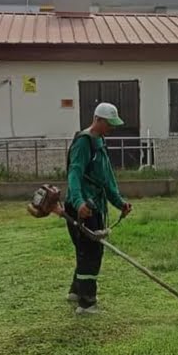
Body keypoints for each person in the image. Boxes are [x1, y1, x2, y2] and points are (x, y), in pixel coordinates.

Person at [64, 102, 133, 315]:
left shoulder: (100, 142)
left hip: (95, 205)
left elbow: (107, 180)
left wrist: (119, 202)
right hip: (83, 207)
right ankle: (86, 303)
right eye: (109, 124)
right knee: (91, 252)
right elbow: (74, 174)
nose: (112, 128)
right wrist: (79, 203)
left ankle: (76, 292)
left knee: (86, 251)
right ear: (97, 120)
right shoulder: (84, 143)